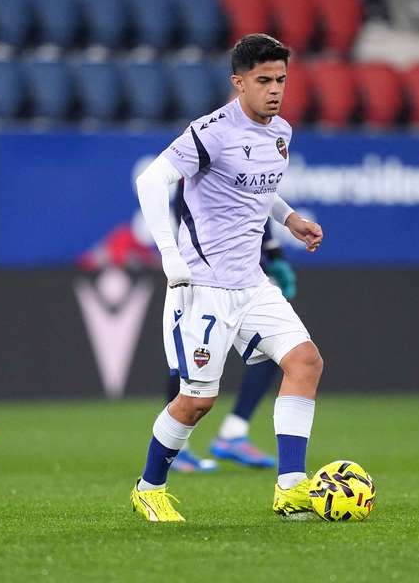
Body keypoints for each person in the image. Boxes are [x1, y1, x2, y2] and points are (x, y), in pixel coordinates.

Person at [129, 34, 324, 522]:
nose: (275, 89)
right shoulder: (211, 131)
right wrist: (170, 256)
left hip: (252, 283)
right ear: (239, 83)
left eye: (281, 79)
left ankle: (291, 487)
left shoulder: (281, 132)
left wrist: (289, 217)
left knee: (305, 362)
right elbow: (150, 181)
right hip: (203, 288)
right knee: (197, 401)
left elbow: (254, 188)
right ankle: (149, 486)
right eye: (263, 80)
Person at [167, 198, 297, 472]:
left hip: (247, 274)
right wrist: (172, 253)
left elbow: (257, 195)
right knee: (188, 363)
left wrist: (273, 253)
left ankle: (233, 432)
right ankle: (174, 450)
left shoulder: (262, 158)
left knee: (284, 348)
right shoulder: (209, 155)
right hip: (203, 274)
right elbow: (181, 195)